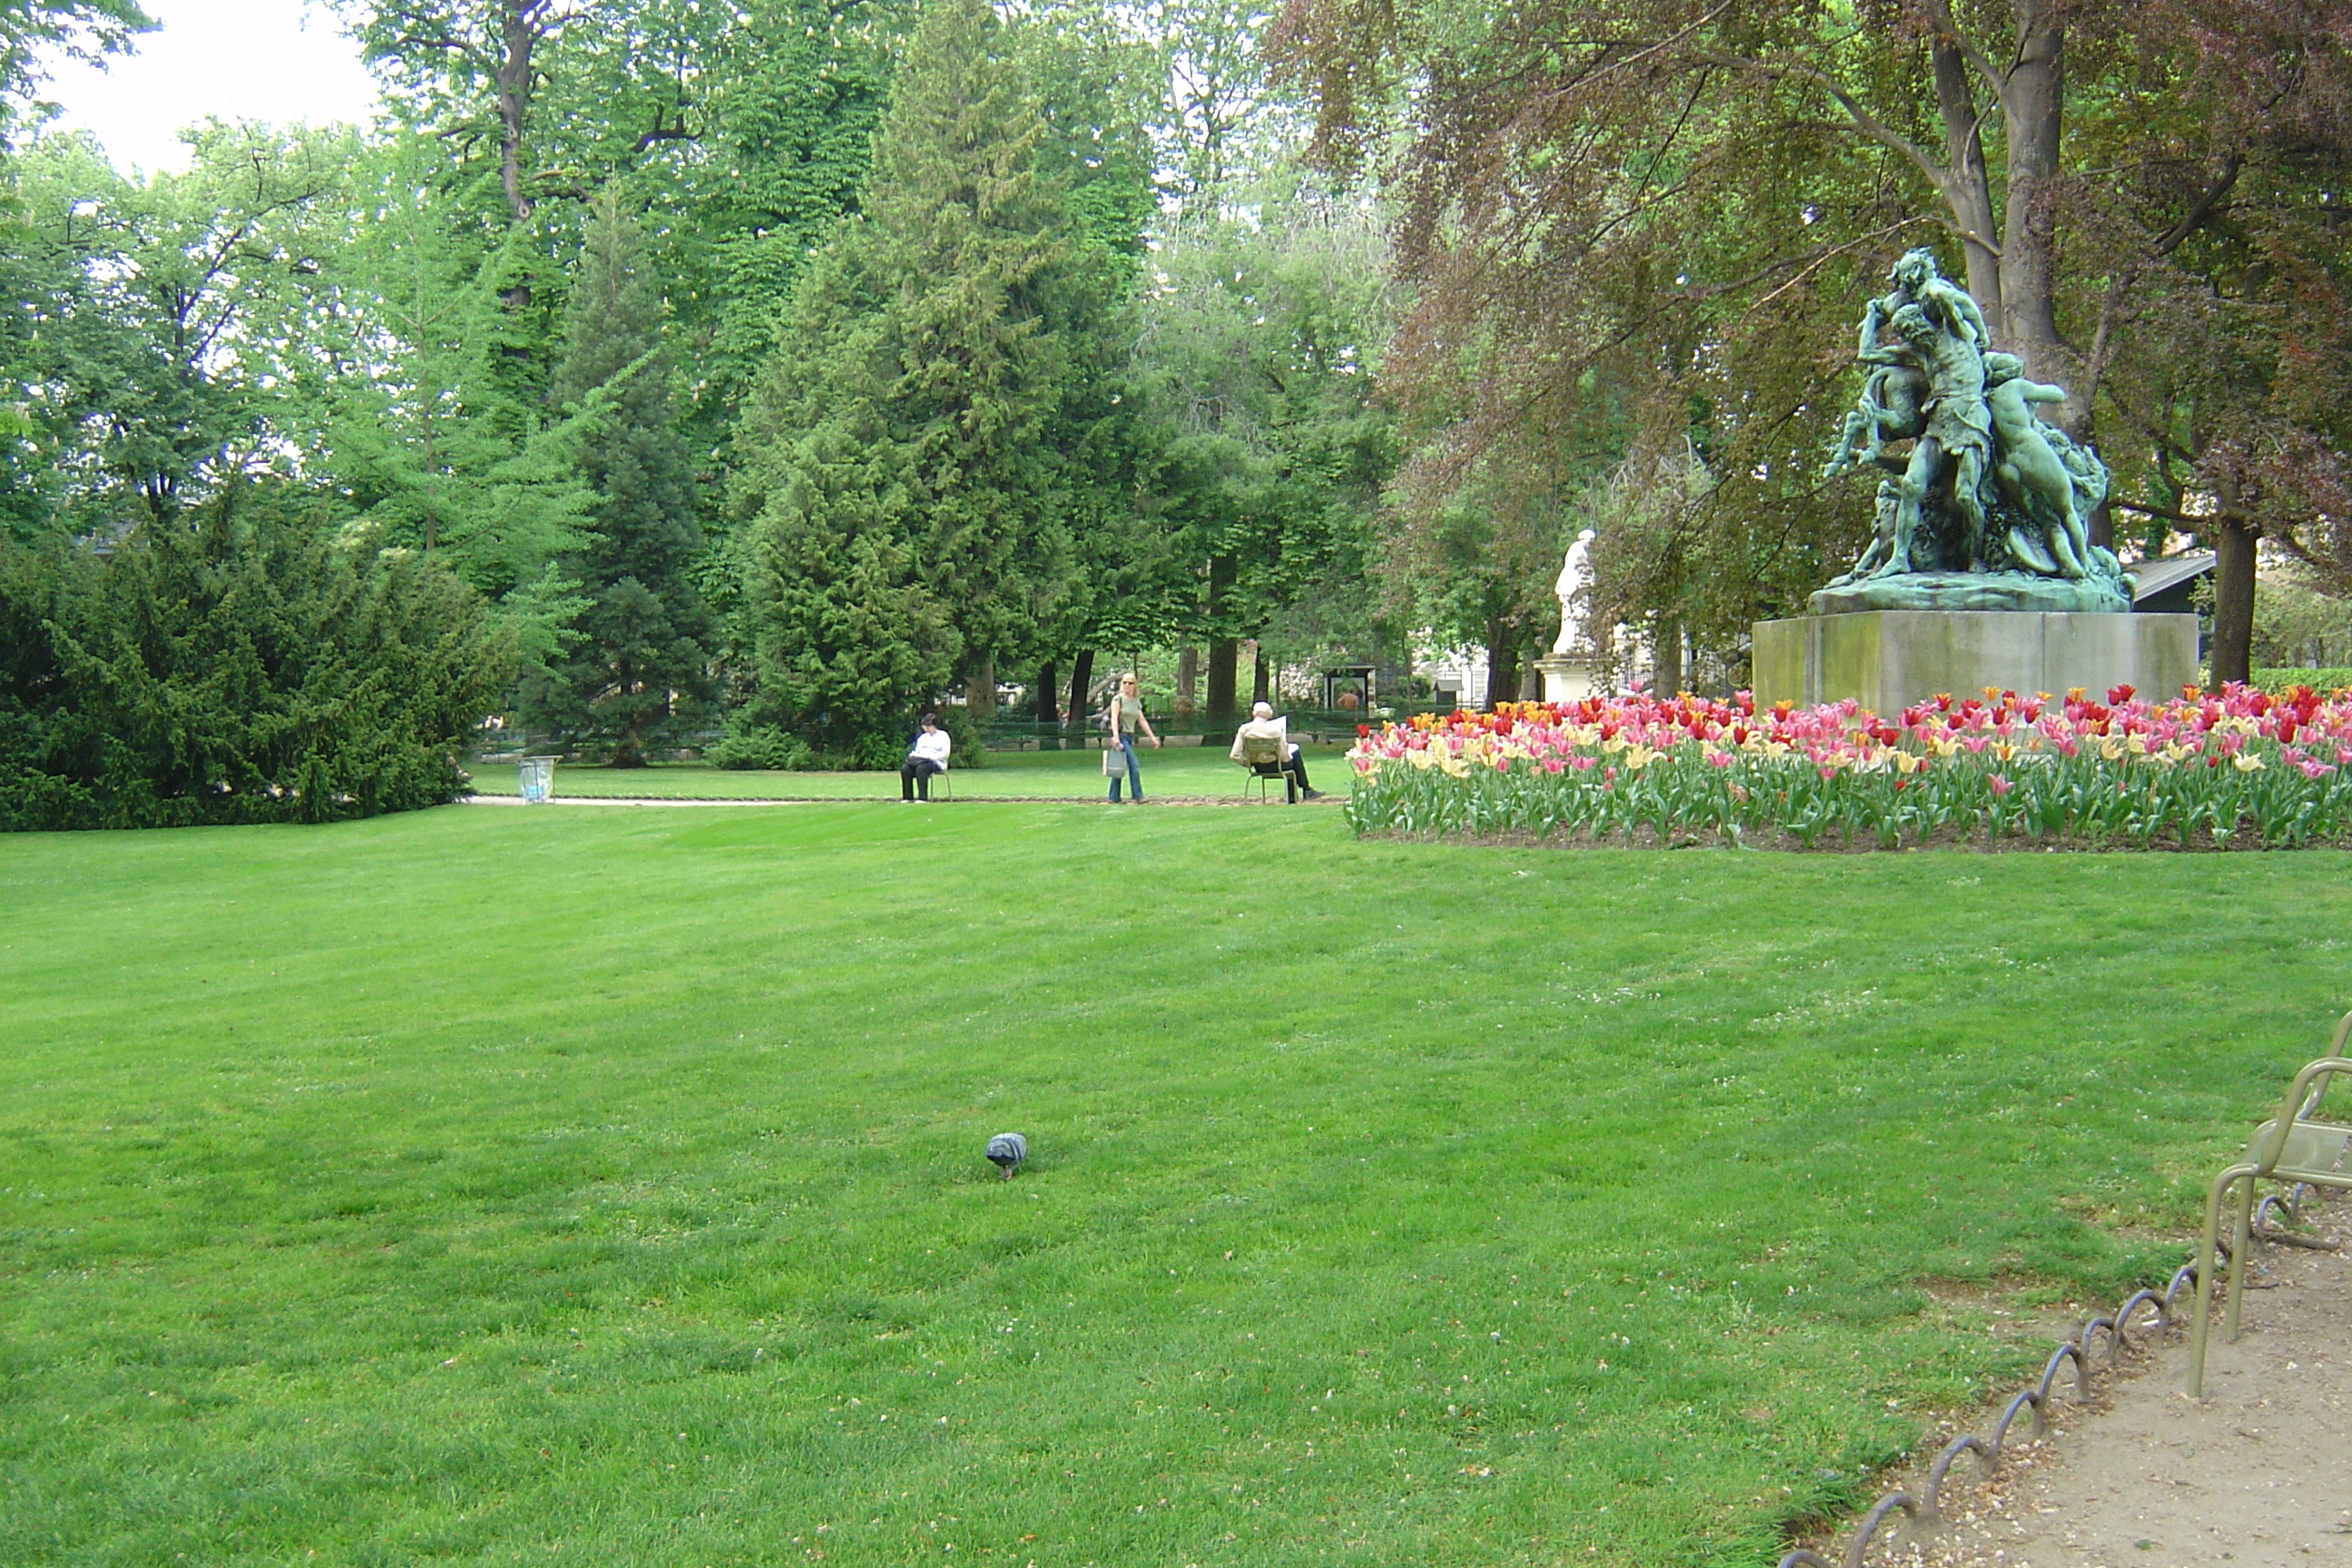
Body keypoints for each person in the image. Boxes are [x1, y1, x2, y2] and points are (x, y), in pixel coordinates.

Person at [1230, 700, 1322, 802]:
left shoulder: (1244, 729)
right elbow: (1284, 758)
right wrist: (1288, 754)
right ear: (1269, 715)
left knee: (1293, 758)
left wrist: (1248, 763)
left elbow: (1234, 755)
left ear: (1253, 714)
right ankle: (1303, 792)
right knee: (1294, 757)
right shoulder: (1274, 730)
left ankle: (1306, 791)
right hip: (1275, 766)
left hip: (1258, 767)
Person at [1103, 672, 1159, 802]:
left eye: (1130, 683)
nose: (1127, 685)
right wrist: (1116, 736)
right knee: (1134, 765)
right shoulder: (1118, 699)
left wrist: (1152, 737)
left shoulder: (1135, 702)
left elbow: (1142, 721)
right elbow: (1114, 718)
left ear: (1135, 685)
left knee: (1119, 766)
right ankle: (1137, 795)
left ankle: (1113, 797)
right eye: (1125, 682)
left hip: (1129, 736)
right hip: (1121, 736)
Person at [900, 712, 950, 801]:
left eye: (929, 726)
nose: (927, 729)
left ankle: (923, 798)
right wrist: (914, 755)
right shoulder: (923, 738)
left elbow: (945, 754)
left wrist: (930, 757)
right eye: (926, 727)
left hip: (936, 762)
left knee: (922, 769)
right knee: (905, 769)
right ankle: (907, 797)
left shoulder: (943, 736)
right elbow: (917, 751)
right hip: (920, 760)